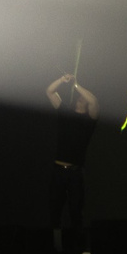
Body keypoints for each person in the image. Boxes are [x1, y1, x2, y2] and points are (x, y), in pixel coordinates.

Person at [45, 74, 101, 240]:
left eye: (82, 98)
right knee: (55, 211)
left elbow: (94, 102)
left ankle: (77, 245)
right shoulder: (65, 112)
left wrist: (77, 86)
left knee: (76, 211)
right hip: (58, 170)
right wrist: (62, 80)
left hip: (75, 173)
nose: (80, 100)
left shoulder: (89, 119)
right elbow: (49, 91)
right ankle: (55, 245)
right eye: (79, 98)